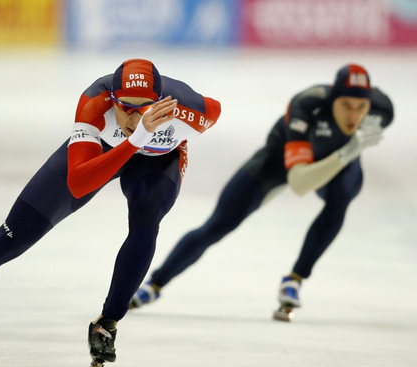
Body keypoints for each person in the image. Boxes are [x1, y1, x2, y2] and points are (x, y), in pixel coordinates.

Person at [0, 59, 221, 367]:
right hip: (101, 154)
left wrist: (150, 142)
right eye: (125, 107)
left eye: (143, 107)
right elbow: (79, 182)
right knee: (9, 239)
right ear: (112, 99)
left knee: (147, 219)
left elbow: (216, 109)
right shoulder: (94, 103)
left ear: (160, 101)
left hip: (157, 163)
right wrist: (136, 140)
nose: (132, 116)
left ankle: (108, 321)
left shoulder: (192, 110)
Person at [130, 64, 394, 320]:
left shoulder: (382, 109)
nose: (353, 115)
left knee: (343, 195)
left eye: (361, 108)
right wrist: (350, 150)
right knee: (218, 225)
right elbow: (300, 182)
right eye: (345, 105)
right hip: (276, 164)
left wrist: (348, 155)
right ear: (332, 100)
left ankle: (295, 279)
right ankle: (155, 284)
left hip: (334, 166)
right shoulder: (307, 105)